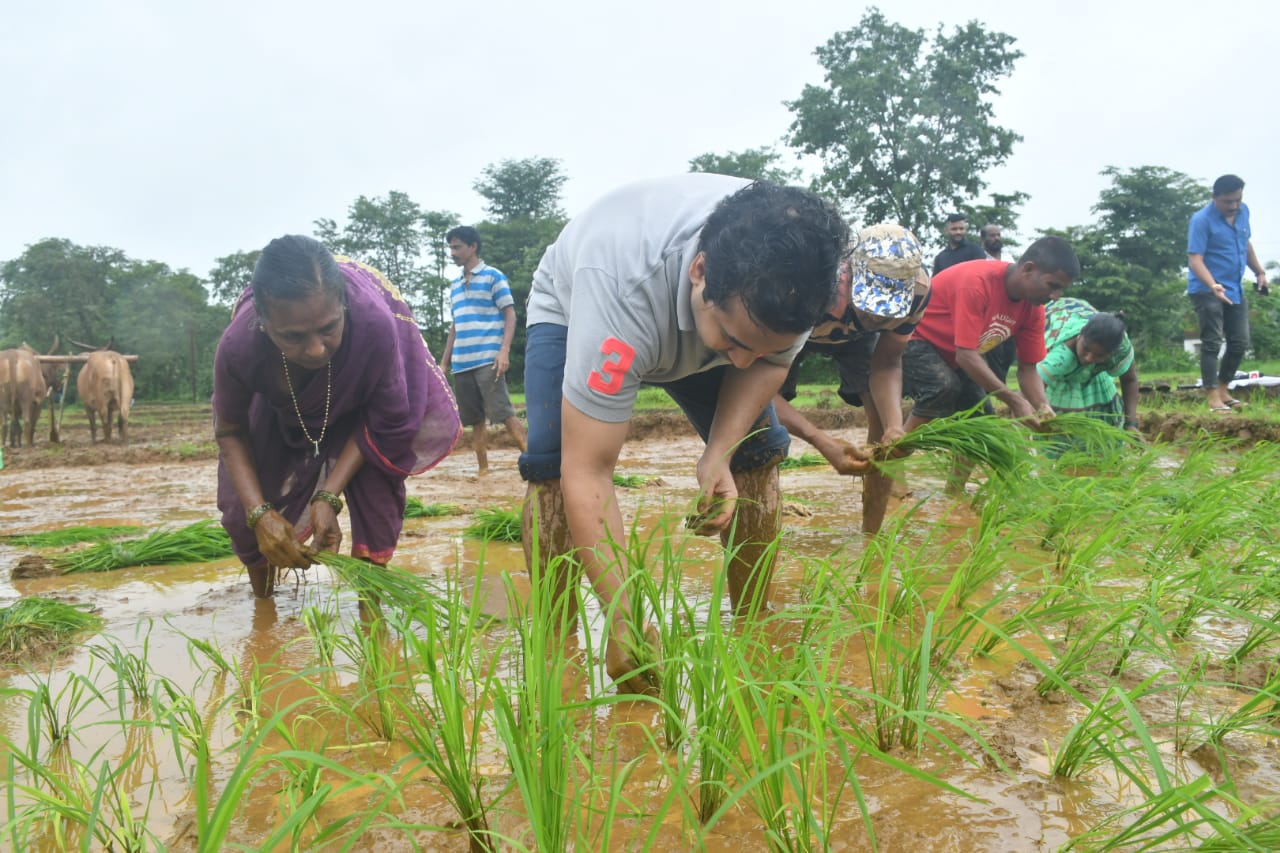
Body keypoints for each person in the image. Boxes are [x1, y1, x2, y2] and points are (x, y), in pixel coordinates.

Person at [519, 174, 848, 694]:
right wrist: (624, 617)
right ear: (700, 271)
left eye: (762, 346)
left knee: (758, 454)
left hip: (703, 314)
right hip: (578, 306)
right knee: (551, 465)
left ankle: (753, 623)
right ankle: (556, 642)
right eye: (734, 342)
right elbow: (588, 470)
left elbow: (766, 362)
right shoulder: (620, 290)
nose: (738, 362)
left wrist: (719, 452)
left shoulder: (800, 283)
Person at [213, 235, 461, 597]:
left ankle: (370, 612)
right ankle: (264, 610)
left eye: (328, 328)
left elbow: (385, 420)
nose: (315, 349)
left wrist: (328, 496)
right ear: (264, 324)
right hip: (279, 412)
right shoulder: (240, 348)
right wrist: (260, 514)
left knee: (379, 496)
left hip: (365, 411)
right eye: (293, 336)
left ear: (343, 305)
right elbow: (231, 431)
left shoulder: (374, 326)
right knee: (241, 511)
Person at [773, 223, 931, 534]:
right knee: (761, 424)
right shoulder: (805, 283)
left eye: (888, 311)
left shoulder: (919, 292)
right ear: (849, 272)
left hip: (856, 339)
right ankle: (766, 517)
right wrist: (822, 441)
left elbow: (887, 364)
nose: (879, 318)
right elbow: (754, 387)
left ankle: (871, 539)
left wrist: (895, 426)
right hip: (799, 328)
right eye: (872, 306)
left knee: (882, 426)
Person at [902, 236, 1081, 489]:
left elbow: (1028, 369)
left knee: (981, 421)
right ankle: (893, 462)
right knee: (943, 387)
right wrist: (1016, 400)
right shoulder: (977, 284)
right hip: (914, 339)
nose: (1055, 296)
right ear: (1028, 269)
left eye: (1061, 289)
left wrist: (1042, 406)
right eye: (1052, 285)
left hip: (956, 354)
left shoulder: (1034, 309)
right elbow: (966, 355)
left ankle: (954, 491)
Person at [441, 226, 528, 473]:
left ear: (473, 247)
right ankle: (483, 472)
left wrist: (504, 351)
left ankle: (534, 462)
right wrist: (445, 362)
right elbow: (455, 326)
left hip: (487, 359)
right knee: (475, 421)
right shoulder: (455, 285)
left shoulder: (493, 276)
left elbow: (510, 315)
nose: (452, 252)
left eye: (457, 247)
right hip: (462, 362)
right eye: (450, 247)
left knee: (504, 413)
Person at [1187, 174, 1269, 413]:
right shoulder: (1201, 220)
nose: (1233, 206)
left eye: (1237, 200)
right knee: (1212, 342)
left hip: (1234, 288)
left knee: (1240, 341)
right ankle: (1212, 396)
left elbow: (1245, 244)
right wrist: (1213, 285)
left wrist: (1259, 272)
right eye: (1227, 201)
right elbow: (1195, 258)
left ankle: (1224, 389)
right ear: (1214, 198)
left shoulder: (1244, 212)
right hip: (1206, 289)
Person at [1037, 297, 1140, 431]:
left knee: (1103, 430)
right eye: (1086, 349)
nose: (1089, 358)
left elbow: (1130, 380)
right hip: (1058, 370)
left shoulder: (1120, 349)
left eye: (1099, 355)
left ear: (1111, 354)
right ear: (1080, 334)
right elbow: (1032, 385)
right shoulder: (1061, 356)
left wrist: (1131, 424)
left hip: (1095, 377)